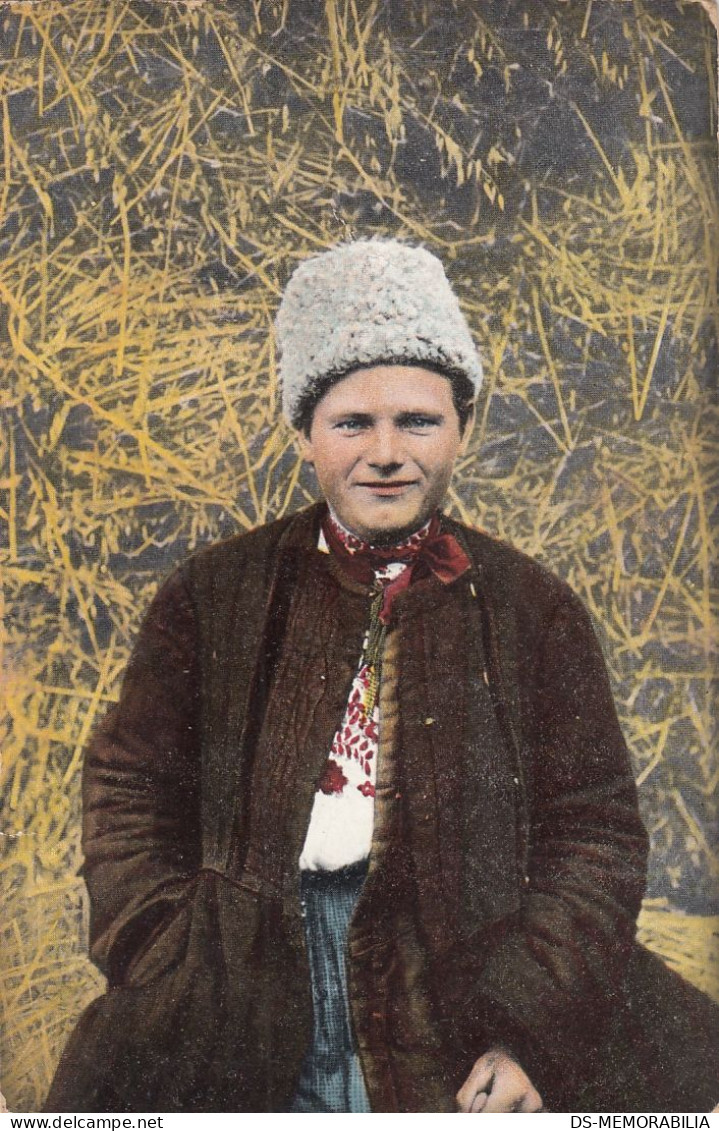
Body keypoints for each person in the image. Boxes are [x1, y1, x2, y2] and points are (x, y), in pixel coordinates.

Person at [46, 240, 718, 1114]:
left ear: (463, 429)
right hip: (245, 965)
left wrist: (529, 1027)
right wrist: (171, 958)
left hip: (466, 968)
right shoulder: (215, 594)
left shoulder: (531, 608)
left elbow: (593, 832)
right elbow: (129, 791)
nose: (387, 453)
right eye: (351, 423)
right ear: (302, 432)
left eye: (419, 421)